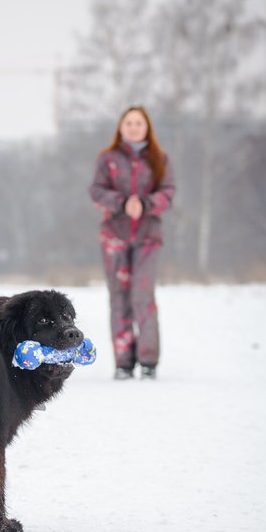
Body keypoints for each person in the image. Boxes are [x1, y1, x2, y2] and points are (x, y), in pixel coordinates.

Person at [89, 106, 175, 380]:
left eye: (139, 123)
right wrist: (123, 203)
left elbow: (168, 192)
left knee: (142, 295)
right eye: (129, 122)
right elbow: (96, 190)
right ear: (120, 127)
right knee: (119, 298)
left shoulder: (159, 159)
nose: (134, 127)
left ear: (147, 127)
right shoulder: (108, 158)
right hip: (115, 236)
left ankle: (149, 360)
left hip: (148, 237)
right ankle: (123, 362)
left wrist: (147, 204)